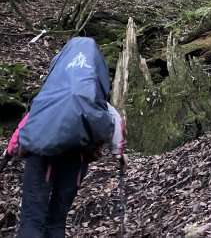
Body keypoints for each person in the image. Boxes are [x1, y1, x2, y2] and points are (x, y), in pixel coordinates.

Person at [2, 37, 125, 238]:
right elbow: (115, 121)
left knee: (32, 217)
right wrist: (118, 153)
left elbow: (28, 120)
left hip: (42, 155)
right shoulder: (92, 93)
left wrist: (9, 151)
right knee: (57, 219)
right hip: (76, 158)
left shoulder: (53, 93)